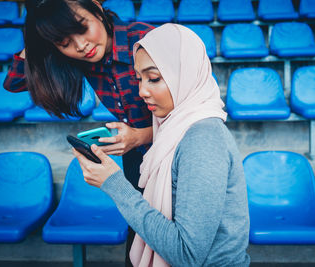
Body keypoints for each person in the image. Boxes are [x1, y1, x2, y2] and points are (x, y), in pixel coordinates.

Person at [74, 23, 250, 266]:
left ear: (186, 74)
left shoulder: (203, 138)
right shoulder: (173, 129)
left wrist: (113, 183)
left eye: (153, 78)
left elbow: (186, 254)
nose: (142, 91)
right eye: (139, 79)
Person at [2, 0, 154, 265]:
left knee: (174, 240)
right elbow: (14, 82)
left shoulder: (146, 39)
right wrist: (42, 35)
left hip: (178, 155)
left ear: (96, 6)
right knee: (139, 240)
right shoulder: (78, 56)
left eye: (82, 27)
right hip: (136, 157)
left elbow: (199, 112)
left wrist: (141, 135)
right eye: (64, 42)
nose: (81, 45)